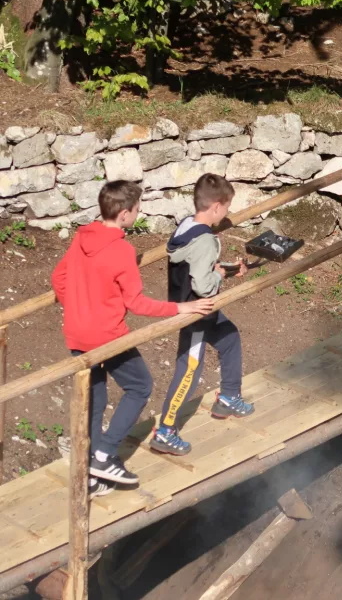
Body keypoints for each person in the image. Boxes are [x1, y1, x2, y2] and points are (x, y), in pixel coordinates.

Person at [52, 181, 214, 496]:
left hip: (76, 331)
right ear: (125, 214)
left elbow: (59, 277)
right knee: (139, 386)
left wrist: (78, 305)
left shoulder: (82, 236)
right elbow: (137, 304)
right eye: (137, 210)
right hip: (107, 337)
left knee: (95, 400)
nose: (138, 214)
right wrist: (184, 306)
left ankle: (91, 476)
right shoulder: (121, 250)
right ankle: (105, 455)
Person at [152, 174, 254, 456]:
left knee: (230, 337)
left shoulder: (187, 226)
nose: (228, 213)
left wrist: (226, 268)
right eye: (228, 207)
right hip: (195, 310)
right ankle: (165, 430)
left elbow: (196, 264)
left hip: (193, 305)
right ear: (218, 207)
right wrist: (220, 274)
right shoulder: (207, 240)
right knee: (189, 369)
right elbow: (203, 285)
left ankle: (230, 397)